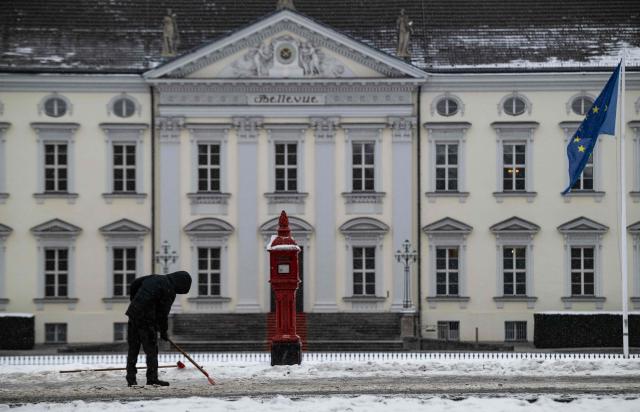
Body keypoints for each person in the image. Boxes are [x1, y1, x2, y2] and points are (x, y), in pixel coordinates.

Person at [125, 270, 192, 386]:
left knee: (133, 349)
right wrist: (164, 332)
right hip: (146, 319)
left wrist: (134, 302)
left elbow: (135, 283)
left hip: (133, 314)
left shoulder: (155, 278)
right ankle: (152, 378)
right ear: (180, 283)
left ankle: (131, 379)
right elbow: (163, 314)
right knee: (151, 350)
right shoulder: (169, 289)